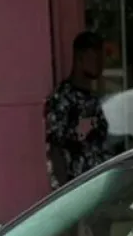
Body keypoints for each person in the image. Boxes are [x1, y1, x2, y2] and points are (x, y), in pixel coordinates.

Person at [45, 31, 108, 189]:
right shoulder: (63, 98)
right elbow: (55, 149)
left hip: (98, 185)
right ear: (80, 58)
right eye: (95, 58)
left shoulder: (92, 99)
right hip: (77, 190)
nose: (101, 64)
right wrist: (64, 193)